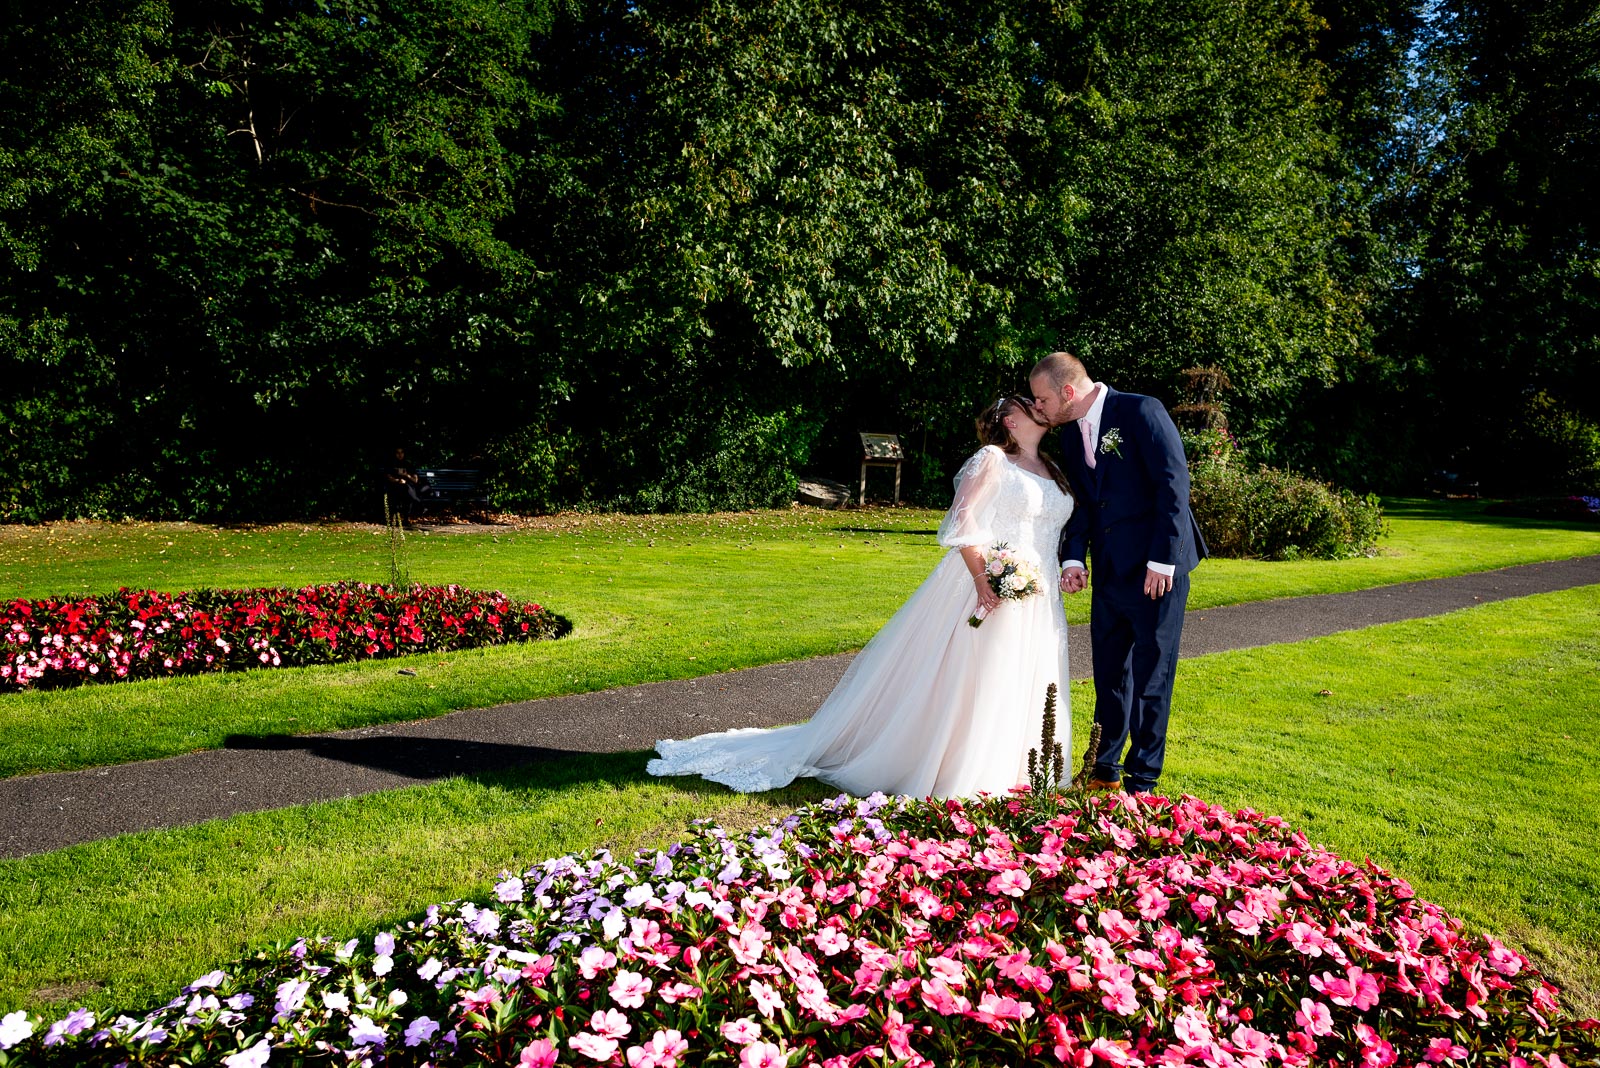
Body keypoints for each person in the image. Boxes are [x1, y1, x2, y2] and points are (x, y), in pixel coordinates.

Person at [647, 397, 1075, 797]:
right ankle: (964, 767)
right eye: (1028, 403)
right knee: (980, 674)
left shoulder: (1051, 468)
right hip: (989, 582)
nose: (1040, 407)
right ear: (1010, 421)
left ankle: (1024, 767)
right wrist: (985, 577)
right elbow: (963, 522)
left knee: (1027, 673)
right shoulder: (993, 460)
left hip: (1040, 595)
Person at [1029, 352, 1207, 795]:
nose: (1039, 408)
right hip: (1109, 572)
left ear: (1068, 392)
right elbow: (1085, 503)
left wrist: (1162, 559)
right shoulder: (1072, 436)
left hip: (1156, 570)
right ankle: (1103, 769)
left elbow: (1173, 485)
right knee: (1109, 674)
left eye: (1043, 399)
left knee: (1152, 675)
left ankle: (1142, 780)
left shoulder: (1141, 409)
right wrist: (1073, 558)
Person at [383, 447, 425, 525]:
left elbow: (415, 480)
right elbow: (389, 477)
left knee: (407, 491)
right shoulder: (391, 464)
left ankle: (406, 518)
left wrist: (407, 475)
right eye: (398, 453)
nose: (400, 455)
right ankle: (417, 502)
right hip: (395, 487)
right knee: (401, 493)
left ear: (404, 454)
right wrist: (398, 480)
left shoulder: (408, 464)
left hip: (407, 487)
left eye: (402, 452)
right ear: (395, 454)